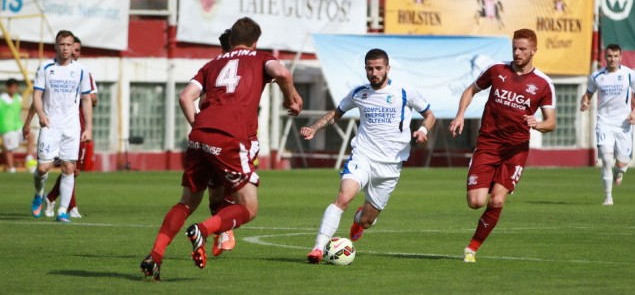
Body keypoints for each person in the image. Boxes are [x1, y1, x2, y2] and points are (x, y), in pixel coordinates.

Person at [140, 17, 302, 281]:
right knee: (249, 207)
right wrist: (291, 98)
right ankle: (204, 230)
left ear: (231, 39)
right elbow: (283, 73)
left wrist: (200, 129)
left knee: (187, 201)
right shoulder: (260, 58)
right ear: (255, 41)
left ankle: (155, 255)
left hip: (199, 134)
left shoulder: (212, 64)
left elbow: (185, 97)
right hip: (229, 136)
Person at [301, 48, 436, 263]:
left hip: (391, 166)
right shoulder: (359, 93)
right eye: (369, 68)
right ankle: (317, 248)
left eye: (378, 68)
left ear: (387, 68)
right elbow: (336, 114)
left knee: (366, 221)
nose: (374, 72)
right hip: (362, 156)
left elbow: (429, 115)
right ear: (365, 69)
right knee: (343, 197)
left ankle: (358, 220)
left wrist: (423, 131)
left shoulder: (404, 91)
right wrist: (314, 128)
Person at [449, 28, 556, 263]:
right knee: (476, 202)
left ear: (534, 51)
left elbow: (552, 122)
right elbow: (471, 90)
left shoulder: (543, 84)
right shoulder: (498, 70)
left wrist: (537, 124)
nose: (517, 53)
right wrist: (460, 115)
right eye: (514, 48)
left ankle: (472, 249)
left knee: (497, 200)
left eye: (522, 49)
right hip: (488, 144)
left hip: (515, 150)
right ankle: (487, 180)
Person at [29, 30, 93, 222]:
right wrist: (40, 114)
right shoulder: (45, 68)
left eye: (69, 45)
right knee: (42, 168)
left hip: (71, 126)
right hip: (50, 125)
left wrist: (88, 127)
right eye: (62, 44)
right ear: (56, 46)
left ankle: (63, 211)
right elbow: (37, 96)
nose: (65, 48)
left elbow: (87, 99)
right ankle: (39, 194)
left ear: (74, 47)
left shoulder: (81, 70)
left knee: (68, 167)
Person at [580, 44, 635, 205]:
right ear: (605, 57)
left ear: (620, 57)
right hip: (604, 122)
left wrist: (634, 112)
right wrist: (584, 103)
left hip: (623, 123)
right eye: (609, 56)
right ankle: (608, 197)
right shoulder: (596, 76)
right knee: (606, 157)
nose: (612, 59)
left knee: (622, 163)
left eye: (615, 56)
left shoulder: (629, 74)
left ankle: (619, 172)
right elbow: (587, 95)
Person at [0, 78, 35, 173]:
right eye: (11, 87)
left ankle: (29, 157)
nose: (13, 89)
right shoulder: (2, 99)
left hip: (18, 126)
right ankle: (11, 168)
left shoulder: (18, 99)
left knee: (30, 135)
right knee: (9, 149)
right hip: (6, 128)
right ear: (7, 87)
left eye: (15, 87)